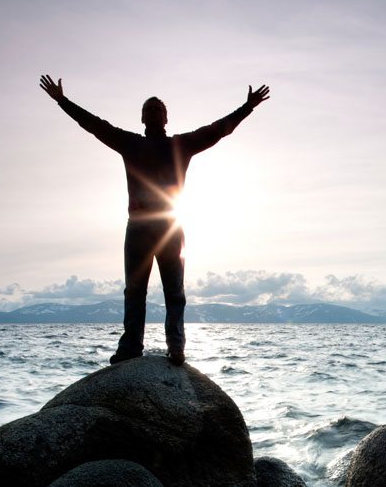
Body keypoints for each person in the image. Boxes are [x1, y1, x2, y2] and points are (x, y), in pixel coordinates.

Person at [40, 75, 270, 365]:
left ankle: (176, 347)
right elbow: (94, 125)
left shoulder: (181, 145)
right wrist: (62, 101)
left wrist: (247, 107)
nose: (152, 113)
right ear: (142, 119)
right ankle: (132, 347)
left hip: (169, 227)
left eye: (157, 109)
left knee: (174, 291)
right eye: (148, 110)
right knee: (135, 291)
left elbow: (218, 130)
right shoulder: (130, 143)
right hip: (139, 227)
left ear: (165, 118)